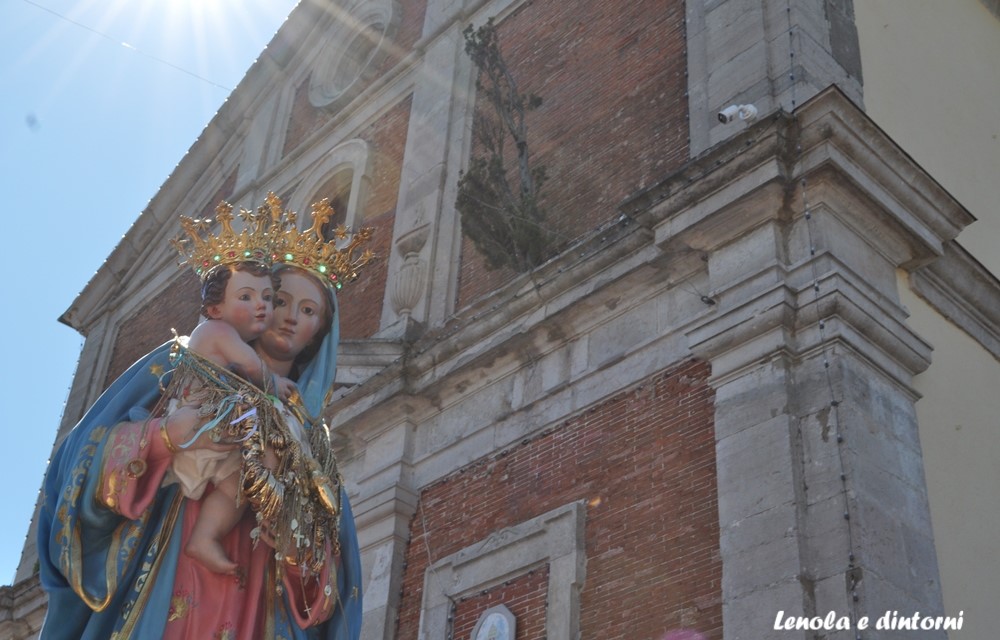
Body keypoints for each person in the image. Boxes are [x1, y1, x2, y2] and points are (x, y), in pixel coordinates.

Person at [37, 195, 367, 639]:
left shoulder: (310, 440)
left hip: (255, 602)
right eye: (279, 300)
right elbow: (76, 464)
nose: (287, 317)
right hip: (164, 572)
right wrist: (162, 439)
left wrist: (295, 544)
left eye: (308, 312)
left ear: (319, 336)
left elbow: (330, 592)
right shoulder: (183, 362)